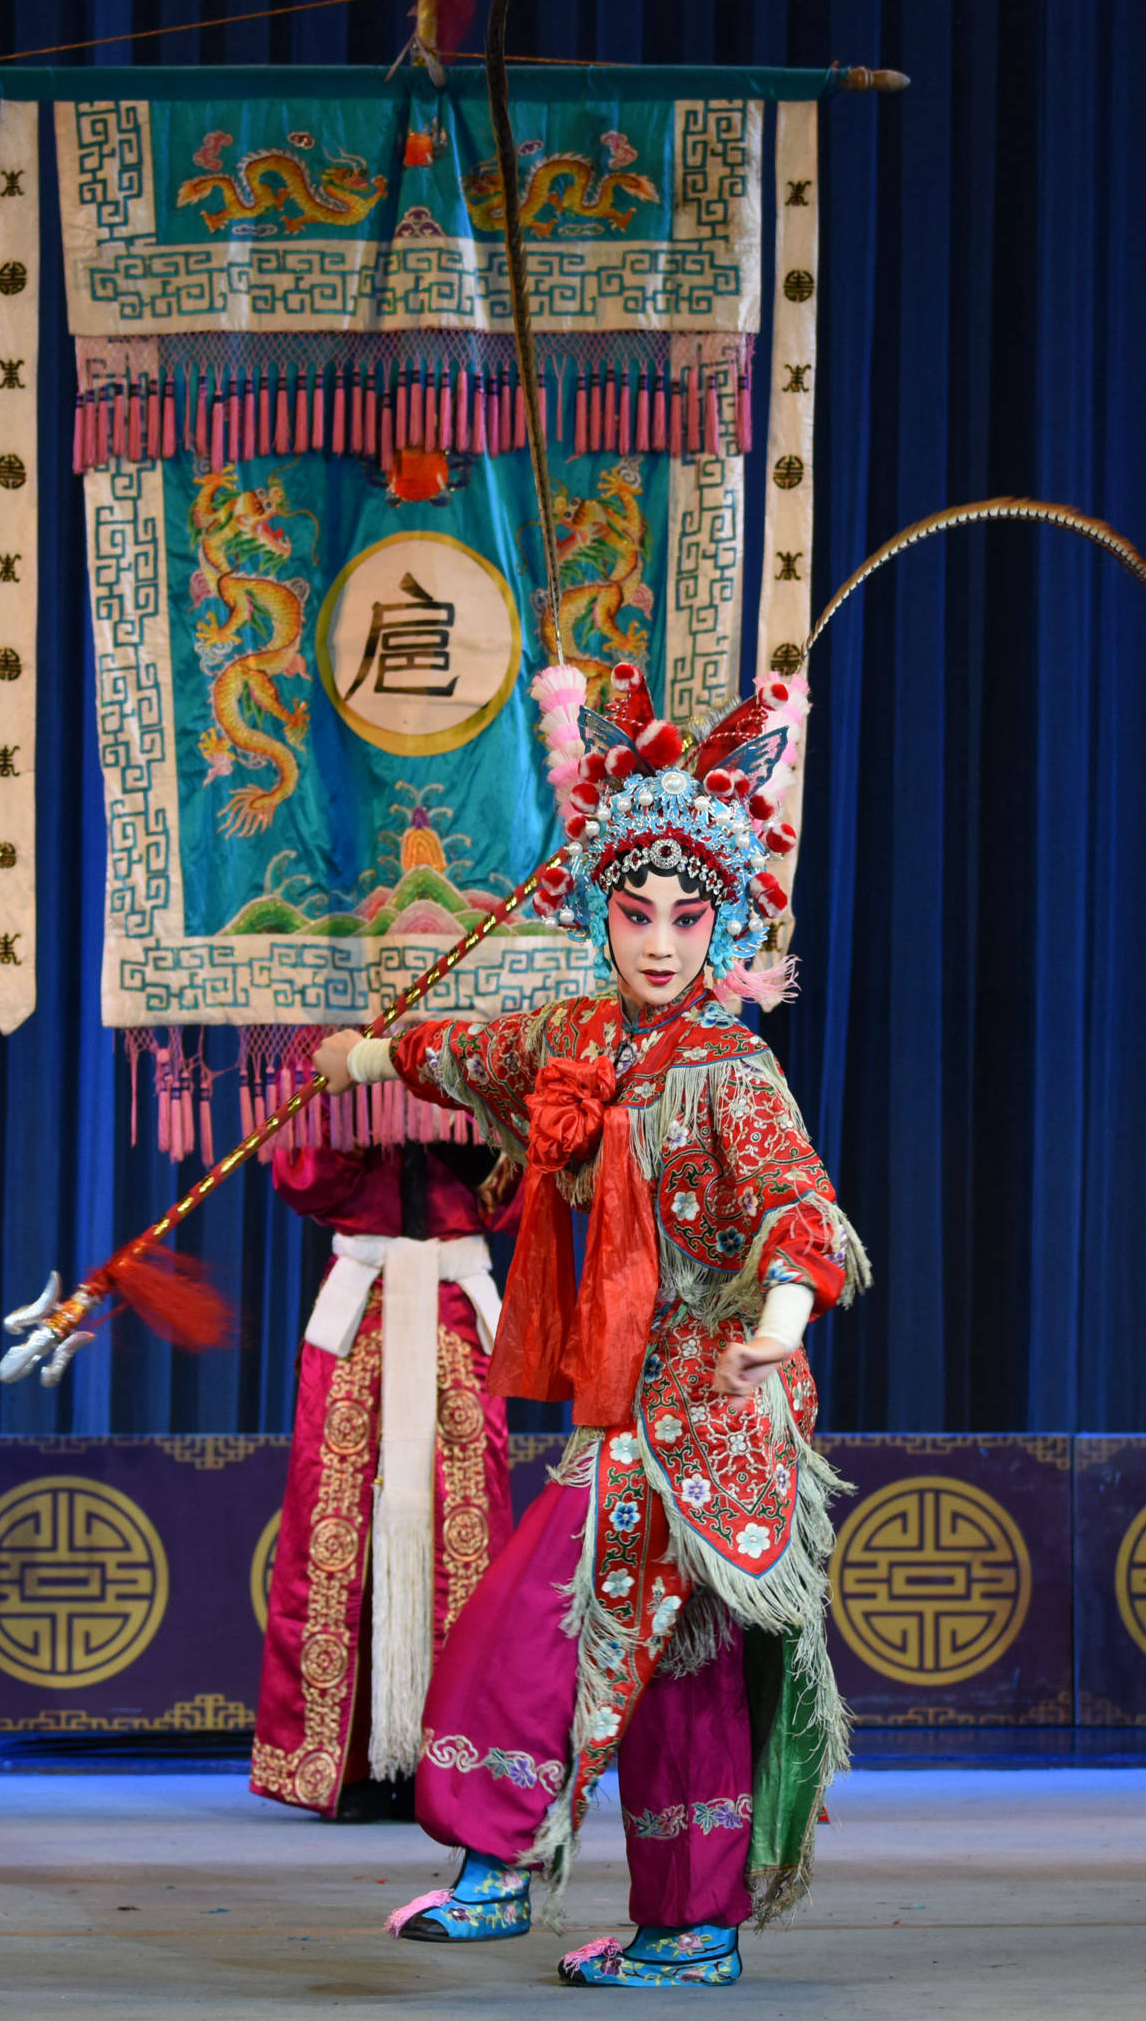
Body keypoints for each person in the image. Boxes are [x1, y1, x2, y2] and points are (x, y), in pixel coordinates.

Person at [313, 663, 863, 1988]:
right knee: (674, 1673)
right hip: (629, 1401)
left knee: (532, 1619)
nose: (661, 943)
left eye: (688, 917)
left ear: (724, 922)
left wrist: (784, 1318)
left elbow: (801, 1208)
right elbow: (467, 1050)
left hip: (707, 1407)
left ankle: (501, 1865)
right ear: (600, 911)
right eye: (636, 913)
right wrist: (363, 1057)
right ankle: (690, 1927)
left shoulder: (730, 1067)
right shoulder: (576, 1033)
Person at [252, 1140, 518, 1823]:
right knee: (337, 1524)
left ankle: (452, 1757)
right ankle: (345, 1763)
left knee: (465, 1529)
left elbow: (525, 1193)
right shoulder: (338, 1079)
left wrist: (475, 1140)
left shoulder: (493, 1077)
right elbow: (301, 1180)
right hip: (360, 1305)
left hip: (457, 1306)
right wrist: (356, 1117)